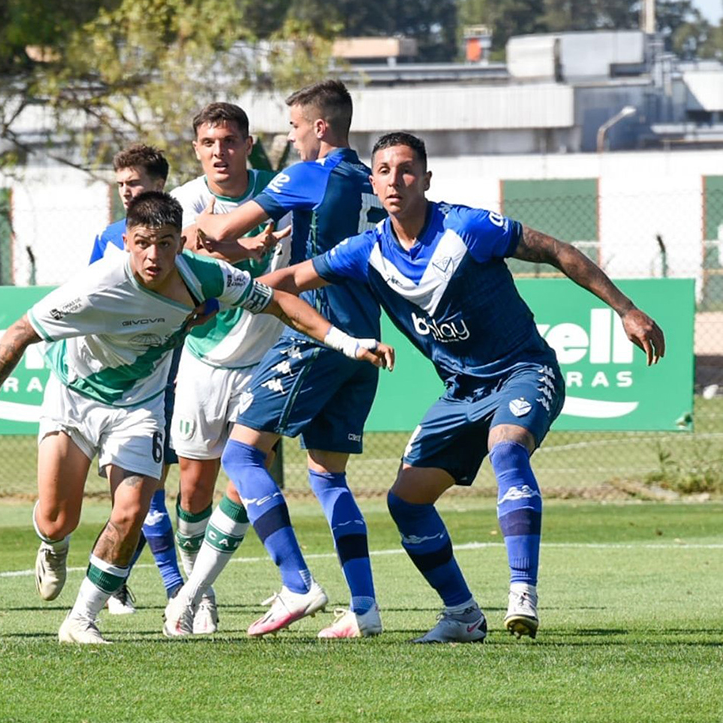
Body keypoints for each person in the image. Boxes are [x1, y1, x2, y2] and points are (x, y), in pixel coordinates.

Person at [0, 191, 392, 645]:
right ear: (128, 240)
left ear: (181, 242)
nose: (155, 255)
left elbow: (279, 302)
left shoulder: (203, 276)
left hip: (139, 406)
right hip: (74, 398)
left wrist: (349, 343)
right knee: (56, 519)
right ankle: (53, 545)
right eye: (144, 243)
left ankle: (81, 619)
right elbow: (18, 335)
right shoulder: (97, 286)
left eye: (167, 242)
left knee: (130, 512)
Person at [262, 131, 665, 642]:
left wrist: (627, 310)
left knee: (507, 450)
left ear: (426, 179)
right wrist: (217, 288)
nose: (395, 180)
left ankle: (522, 593)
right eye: (384, 171)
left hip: (523, 370)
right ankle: (463, 615)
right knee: (406, 501)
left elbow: (557, 250)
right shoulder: (365, 251)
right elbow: (291, 279)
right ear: (373, 181)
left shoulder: (468, 227)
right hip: (461, 393)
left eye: (407, 170)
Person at [166, 80, 388, 639]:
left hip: (315, 334)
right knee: (327, 475)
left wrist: (193, 233)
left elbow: (218, 228)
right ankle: (364, 608)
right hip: (362, 338)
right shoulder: (372, 179)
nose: (289, 140)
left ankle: (296, 583)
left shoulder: (310, 173)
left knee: (242, 456)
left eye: (292, 129)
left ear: (318, 128)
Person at [163, 101, 291, 635]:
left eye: (230, 140)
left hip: (264, 359)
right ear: (197, 149)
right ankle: (201, 583)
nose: (220, 151)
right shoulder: (185, 200)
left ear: (247, 145)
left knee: (243, 476)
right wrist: (245, 249)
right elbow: (191, 248)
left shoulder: (279, 191)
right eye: (210, 142)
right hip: (203, 360)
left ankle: (193, 594)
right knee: (194, 486)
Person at [85, 143, 185, 615]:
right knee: (139, 485)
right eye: (121, 184)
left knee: (161, 487)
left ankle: (122, 578)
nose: (127, 192)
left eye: (135, 183)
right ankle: (173, 588)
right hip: (125, 380)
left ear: (159, 185)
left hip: (178, 368)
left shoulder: (180, 230)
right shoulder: (110, 235)